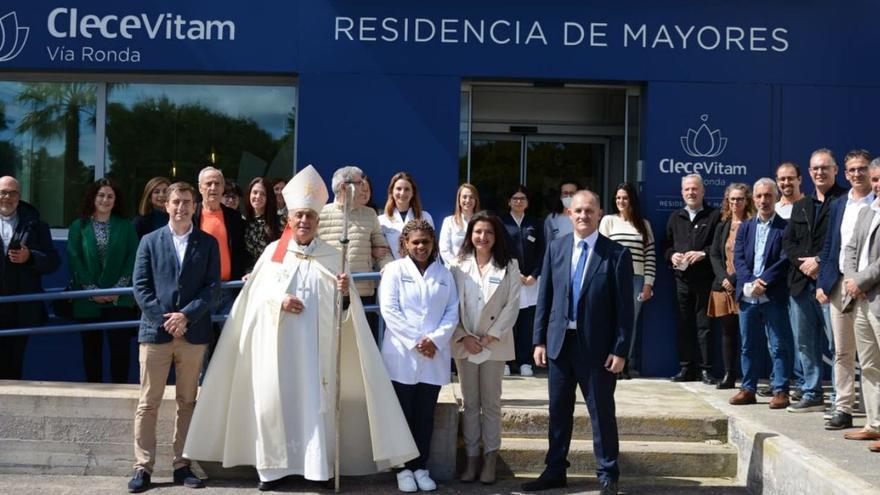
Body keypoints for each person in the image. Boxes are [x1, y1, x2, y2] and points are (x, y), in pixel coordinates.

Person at [184, 166, 417, 490]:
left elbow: (346, 314)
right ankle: (271, 472)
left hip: (317, 356)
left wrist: (345, 293)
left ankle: (317, 469)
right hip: (277, 353)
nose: (304, 221)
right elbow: (253, 298)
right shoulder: (273, 255)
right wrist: (278, 300)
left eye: (310, 216)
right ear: (289, 221)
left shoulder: (333, 258)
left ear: (317, 221)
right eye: (299, 217)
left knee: (316, 408)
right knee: (272, 406)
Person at [522, 190, 632, 495]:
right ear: (569, 215)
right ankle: (555, 470)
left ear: (599, 214)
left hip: (597, 350)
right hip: (559, 344)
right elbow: (545, 298)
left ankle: (608, 472)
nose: (583, 216)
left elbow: (625, 309)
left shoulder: (616, 254)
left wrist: (620, 349)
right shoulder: (556, 248)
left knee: (601, 412)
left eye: (589, 211)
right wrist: (539, 340)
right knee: (558, 412)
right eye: (578, 211)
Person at [128, 181, 220, 493]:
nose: (181, 207)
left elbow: (212, 288)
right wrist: (165, 319)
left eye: (186, 202)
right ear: (166, 205)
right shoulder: (150, 241)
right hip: (155, 333)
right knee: (148, 403)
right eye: (176, 201)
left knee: (187, 401)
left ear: (195, 206)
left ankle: (182, 465)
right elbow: (140, 286)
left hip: (193, 334)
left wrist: (186, 316)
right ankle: (143, 468)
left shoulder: (207, 243)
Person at [379, 219, 459, 493]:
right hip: (402, 352)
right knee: (403, 414)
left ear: (433, 243)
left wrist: (434, 340)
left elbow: (452, 312)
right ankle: (402, 468)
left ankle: (421, 466)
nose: (421, 247)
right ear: (405, 244)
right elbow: (389, 310)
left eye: (425, 242)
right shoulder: (393, 270)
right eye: (415, 242)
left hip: (433, 355)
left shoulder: (444, 274)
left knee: (425, 415)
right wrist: (416, 341)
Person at [449, 212, 521, 484]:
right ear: (470, 235)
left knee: (491, 403)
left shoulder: (510, 265)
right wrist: (463, 336)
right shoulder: (456, 265)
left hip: (495, 344)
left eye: (488, 232)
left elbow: (512, 306)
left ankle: (490, 458)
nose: (483, 237)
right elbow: (450, 305)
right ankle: (471, 459)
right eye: (478, 231)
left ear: (496, 236)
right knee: (470, 404)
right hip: (465, 342)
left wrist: (489, 337)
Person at [782, 149, 847, 413]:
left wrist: (820, 261)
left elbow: (845, 241)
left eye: (825, 168)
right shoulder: (801, 205)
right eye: (815, 168)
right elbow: (789, 243)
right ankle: (812, 393)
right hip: (800, 284)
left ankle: (839, 398)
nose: (819, 172)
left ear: (835, 171)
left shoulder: (845, 201)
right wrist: (806, 264)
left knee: (837, 345)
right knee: (805, 343)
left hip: (831, 283)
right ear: (809, 173)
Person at [818, 149, 875, 430]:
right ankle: (843, 408)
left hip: (869, 288)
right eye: (852, 169)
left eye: (861, 169)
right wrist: (823, 283)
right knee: (842, 352)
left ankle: (873, 413)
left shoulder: (876, 202)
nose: (856, 174)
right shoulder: (839, 204)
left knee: (870, 355)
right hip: (839, 285)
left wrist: (864, 282)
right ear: (845, 171)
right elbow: (829, 247)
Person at [728, 179, 794, 409]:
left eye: (768, 195)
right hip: (748, 296)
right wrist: (748, 282)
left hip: (771, 295)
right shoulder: (745, 227)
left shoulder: (785, 227)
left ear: (776, 198)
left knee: (778, 345)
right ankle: (748, 389)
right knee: (748, 345)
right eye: (759, 196)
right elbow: (739, 258)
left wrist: (763, 281)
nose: (763, 200)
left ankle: (780, 391)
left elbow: (786, 259)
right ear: (753, 199)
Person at [67, 178, 139, 384]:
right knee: (91, 351)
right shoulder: (78, 226)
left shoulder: (126, 226)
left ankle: (119, 392)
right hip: (87, 301)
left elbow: (132, 258)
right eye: (101, 195)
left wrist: (118, 289)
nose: (105, 200)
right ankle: (94, 392)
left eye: (110, 196)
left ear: (115, 201)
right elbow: (75, 259)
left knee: (120, 351)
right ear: (93, 197)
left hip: (120, 300)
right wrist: (92, 290)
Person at [318, 166, 393, 340]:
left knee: (361, 353)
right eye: (360, 183)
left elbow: (383, 250)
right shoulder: (321, 214)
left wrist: (387, 267)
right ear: (345, 186)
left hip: (362, 294)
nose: (364, 188)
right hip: (329, 294)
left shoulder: (370, 214)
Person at [0, 176, 60, 380]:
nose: (7, 197)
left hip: (20, 307)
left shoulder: (35, 224)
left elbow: (53, 261)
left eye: (13, 193)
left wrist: (30, 256)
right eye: (3, 192)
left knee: (13, 364)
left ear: (20, 196)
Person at [665, 174, 721, 384]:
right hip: (681, 280)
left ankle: (706, 370)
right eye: (687, 189)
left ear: (703, 191)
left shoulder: (714, 216)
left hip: (705, 280)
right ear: (682, 192)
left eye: (695, 189)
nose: (691, 192)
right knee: (683, 324)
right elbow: (666, 246)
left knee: (705, 326)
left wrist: (703, 254)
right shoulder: (675, 217)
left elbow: (718, 247)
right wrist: (672, 256)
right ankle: (686, 368)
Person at [598, 182, 656, 379]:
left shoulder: (644, 224)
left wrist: (649, 283)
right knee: (609, 319)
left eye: (624, 198)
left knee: (629, 321)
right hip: (611, 278)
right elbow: (600, 253)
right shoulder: (608, 221)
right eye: (618, 198)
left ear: (631, 200)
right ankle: (609, 361)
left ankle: (624, 362)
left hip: (636, 279)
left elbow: (650, 256)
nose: (621, 201)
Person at [842, 158, 880, 448]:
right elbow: (852, 248)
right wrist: (853, 281)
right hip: (861, 299)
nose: (878, 185)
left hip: (875, 297)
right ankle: (874, 424)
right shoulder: (868, 211)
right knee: (868, 365)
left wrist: (861, 282)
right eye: (876, 179)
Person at [708, 183, 755, 390]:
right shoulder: (722, 225)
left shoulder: (753, 224)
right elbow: (714, 254)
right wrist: (724, 278)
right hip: (723, 286)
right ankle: (729, 375)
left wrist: (735, 279)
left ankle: (749, 378)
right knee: (728, 332)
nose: (735, 203)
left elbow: (752, 257)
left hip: (743, 285)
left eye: (740, 199)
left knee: (748, 333)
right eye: (732, 199)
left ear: (747, 201)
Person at [502, 185, 545, 377]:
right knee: (509, 321)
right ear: (509, 201)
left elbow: (543, 252)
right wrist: (514, 273)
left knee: (528, 323)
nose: (519, 201)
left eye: (522, 198)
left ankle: (525, 361)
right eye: (515, 198)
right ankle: (506, 360)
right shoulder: (501, 223)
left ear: (527, 202)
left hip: (530, 282)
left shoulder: (535, 224)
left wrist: (534, 275)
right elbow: (499, 251)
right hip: (510, 278)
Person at [379, 171, 434, 260]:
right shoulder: (381, 221)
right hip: (393, 270)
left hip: (420, 270)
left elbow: (432, 247)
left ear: (413, 193)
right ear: (391, 191)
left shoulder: (425, 217)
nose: (402, 193)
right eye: (398, 189)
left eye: (407, 189)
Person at [242, 177, 281, 269]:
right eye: (255, 192)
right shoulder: (244, 223)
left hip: (270, 274)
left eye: (263, 194)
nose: (258, 196)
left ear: (269, 198)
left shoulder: (279, 222)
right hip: (246, 278)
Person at [439, 183, 480, 265]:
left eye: (471, 197)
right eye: (464, 197)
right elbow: (444, 249)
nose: (468, 200)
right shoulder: (449, 221)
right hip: (455, 269)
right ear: (459, 199)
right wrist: (457, 265)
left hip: (477, 270)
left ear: (476, 200)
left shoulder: (481, 222)